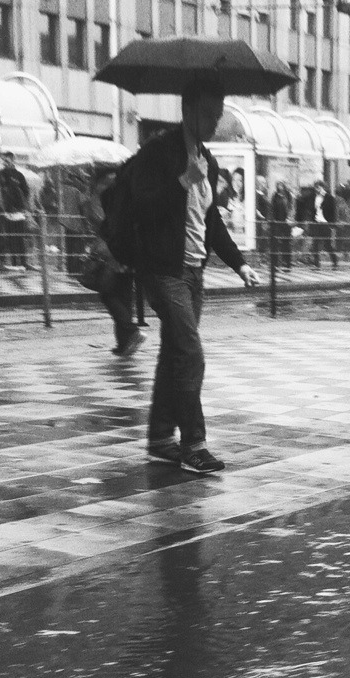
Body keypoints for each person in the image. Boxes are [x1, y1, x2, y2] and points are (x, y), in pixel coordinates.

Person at [128, 77, 260, 475]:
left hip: (192, 272)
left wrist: (239, 263)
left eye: (217, 114)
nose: (213, 121)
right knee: (190, 352)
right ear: (186, 110)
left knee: (174, 353)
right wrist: (184, 181)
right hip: (161, 269)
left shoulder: (209, 161)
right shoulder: (159, 153)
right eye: (207, 113)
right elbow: (142, 207)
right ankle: (194, 445)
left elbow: (212, 221)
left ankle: (159, 436)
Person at [80, 166, 142, 356]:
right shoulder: (127, 193)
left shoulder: (100, 195)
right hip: (129, 249)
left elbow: (100, 221)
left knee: (107, 293)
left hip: (110, 252)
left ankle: (131, 331)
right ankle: (124, 343)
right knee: (123, 294)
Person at [0, 152, 30, 270]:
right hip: (8, 211)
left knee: (19, 237)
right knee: (12, 238)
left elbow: (26, 191)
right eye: (4, 161)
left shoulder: (18, 175)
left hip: (17, 211)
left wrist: (21, 205)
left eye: (7, 160)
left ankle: (22, 261)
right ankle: (15, 262)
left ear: (12, 160)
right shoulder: (1, 175)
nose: (5, 163)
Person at [297, 180, 337, 267]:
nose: (317, 189)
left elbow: (333, 212)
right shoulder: (312, 197)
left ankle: (334, 261)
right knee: (315, 243)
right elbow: (303, 202)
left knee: (327, 244)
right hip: (316, 223)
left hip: (325, 223)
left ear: (323, 187)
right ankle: (316, 263)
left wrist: (332, 224)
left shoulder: (329, 198)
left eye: (318, 187)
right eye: (316, 187)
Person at [270, 180, 294, 271]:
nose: (280, 188)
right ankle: (275, 264)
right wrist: (273, 220)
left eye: (281, 186)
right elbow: (272, 208)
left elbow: (291, 208)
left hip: (287, 223)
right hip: (277, 223)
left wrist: (290, 218)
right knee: (276, 243)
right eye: (278, 186)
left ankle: (287, 263)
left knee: (286, 243)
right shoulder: (275, 196)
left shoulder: (288, 195)